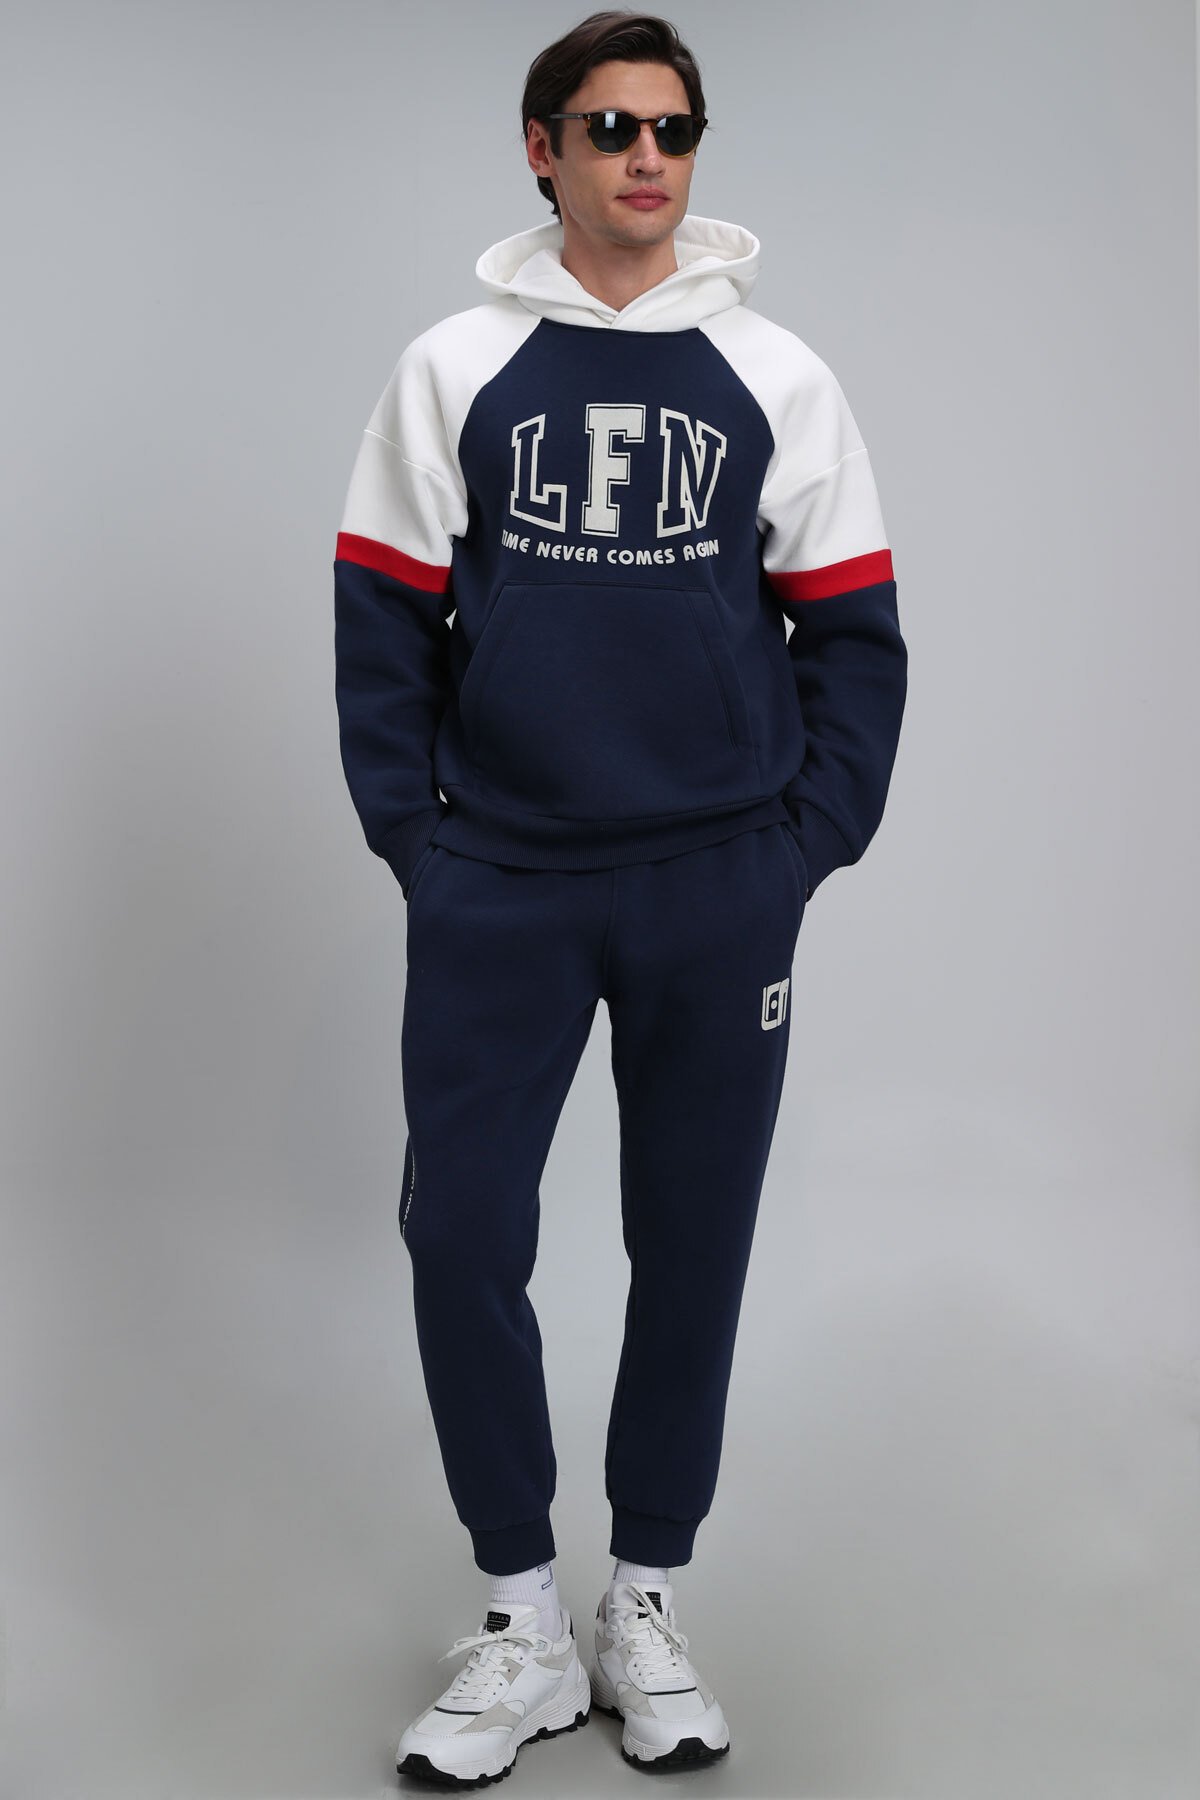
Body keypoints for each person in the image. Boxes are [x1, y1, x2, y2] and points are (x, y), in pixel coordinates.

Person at [333, 8, 907, 1785]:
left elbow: (855, 633)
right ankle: (519, 1619)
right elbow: (379, 619)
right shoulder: (455, 366)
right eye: (609, 127)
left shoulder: (776, 375)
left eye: (673, 128)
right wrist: (421, 841)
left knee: (694, 1244)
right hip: (501, 882)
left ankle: (641, 1600)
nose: (647, 157)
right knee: (461, 1236)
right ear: (543, 149)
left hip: (714, 888)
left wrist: (799, 846)